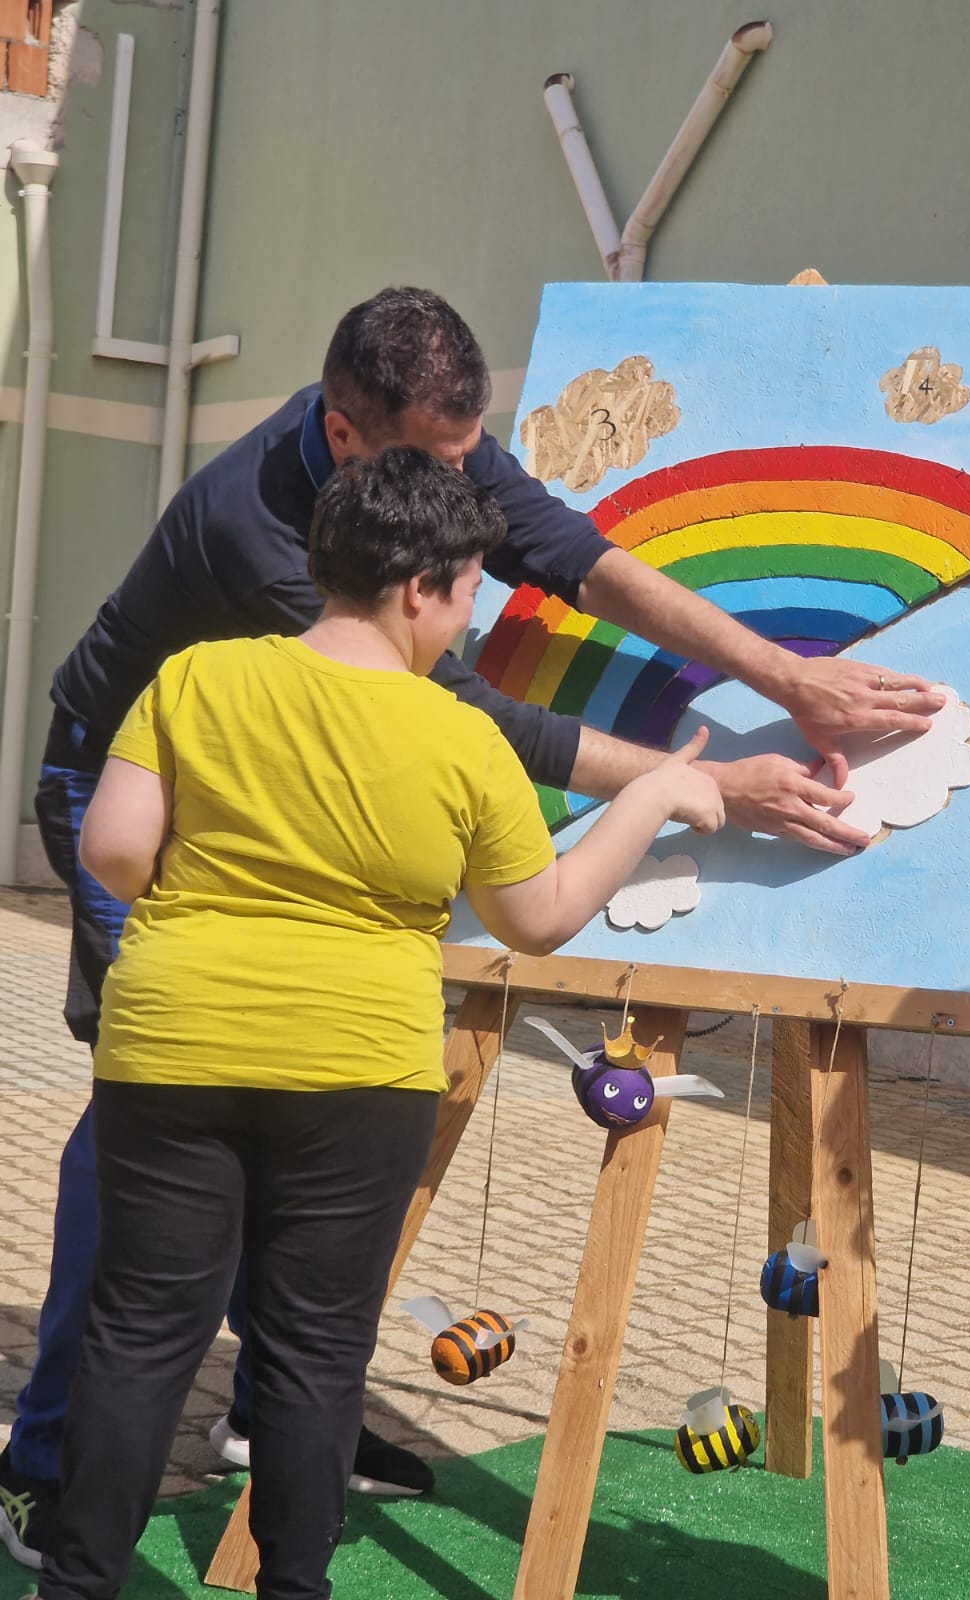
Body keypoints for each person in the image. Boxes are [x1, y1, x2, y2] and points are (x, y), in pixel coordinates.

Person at [0, 286, 943, 1569]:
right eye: (441, 466)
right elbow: (478, 728)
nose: (467, 487)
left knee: (263, 1120)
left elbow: (576, 555)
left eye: (472, 454)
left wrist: (781, 672)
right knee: (155, 1126)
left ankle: (274, 1416)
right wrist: (703, 786)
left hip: (219, 781)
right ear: (348, 441)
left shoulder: (423, 442)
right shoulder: (257, 535)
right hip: (128, 776)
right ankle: (46, 1462)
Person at [26, 449, 725, 1600]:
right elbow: (539, 917)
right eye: (468, 595)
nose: (465, 620)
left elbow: (111, 850)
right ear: (419, 588)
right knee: (313, 1354)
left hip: (172, 1043)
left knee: (140, 1333)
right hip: (359, 1070)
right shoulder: (462, 739)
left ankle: (76, 1583)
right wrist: (649, 795)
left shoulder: (195, 678)